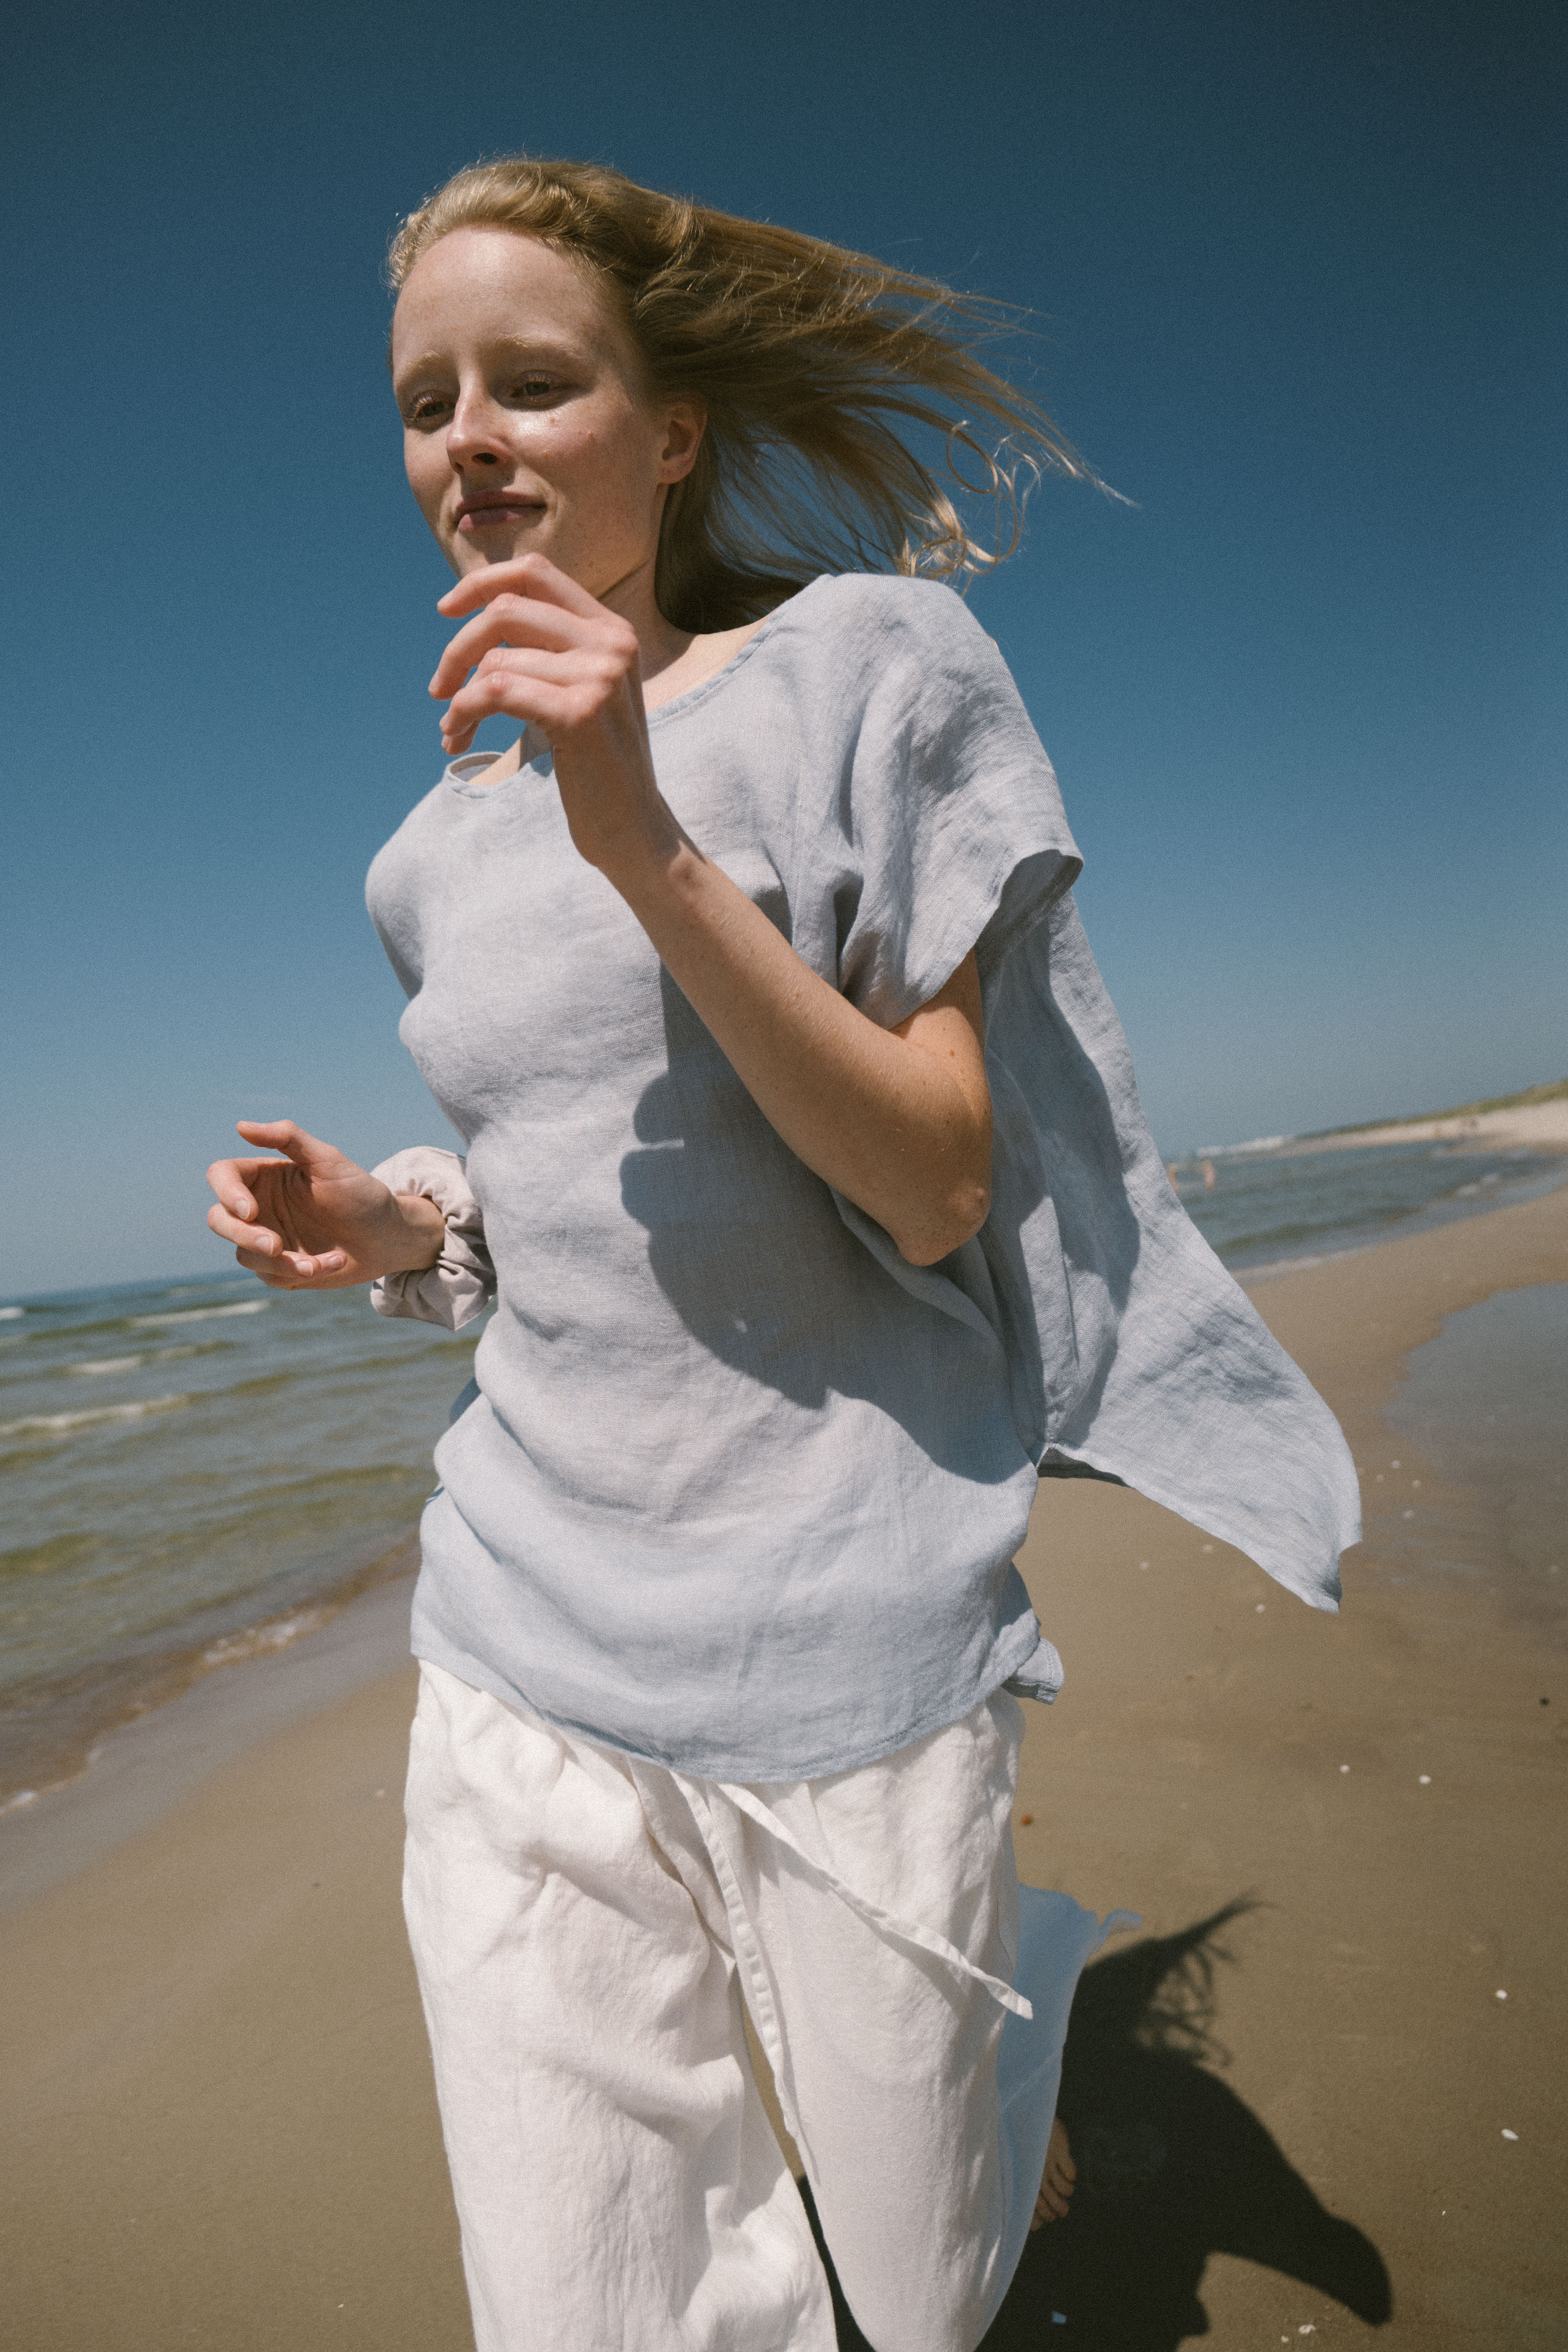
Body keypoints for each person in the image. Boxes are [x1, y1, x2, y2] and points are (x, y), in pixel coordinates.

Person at [205, 156, 1359, 2352]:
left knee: (923, 2302)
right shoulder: (421, 857)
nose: (469, 439)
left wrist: (638, 835)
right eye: (424, 399)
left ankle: (1022, 2069)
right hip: (524, 1655)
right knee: (587, 2319)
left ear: (676, 428)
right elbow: (557, 1220)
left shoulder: (871, 671)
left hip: (849, 1650)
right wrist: (387, 1228)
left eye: (534, 382)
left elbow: (932, 1179)